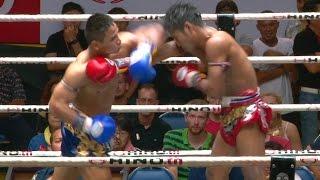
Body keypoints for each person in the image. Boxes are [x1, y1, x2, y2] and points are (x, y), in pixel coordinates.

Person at [49, 13, 165, 180]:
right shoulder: (80, 69)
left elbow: (156, 30)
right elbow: (55, 104)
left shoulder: (122, 44)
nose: (118, 40)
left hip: (98, 123)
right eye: (112, 38)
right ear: (96, 45)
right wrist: (88, 125)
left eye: (116, 34)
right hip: (81, 128)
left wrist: (144, 50)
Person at [163, 3, 272, 180]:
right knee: (214, 172)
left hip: (247, 111)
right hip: (229, 113)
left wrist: (191, 77)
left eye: (177, 37)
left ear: (188, 28)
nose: (178, 44)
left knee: (254, 174)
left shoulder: (216, 42)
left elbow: (215, 88)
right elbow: (165, 50)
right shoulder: (195, 43)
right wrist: (144, 58)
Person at [163, 99, 213, 180]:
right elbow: (171, 170)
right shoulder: (171, 136)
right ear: (185, 118)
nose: (196, 122)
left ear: (207, 120)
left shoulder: (215, 141)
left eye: (201, 117)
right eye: (192, 116)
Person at [293, 0, 320, 148]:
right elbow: (313, 68)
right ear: (311, 16)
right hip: (310, 95)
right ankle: (312, 172)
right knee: (311, 142)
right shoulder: (302, 38)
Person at [45, 2, 88, 78]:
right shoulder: (54, 38)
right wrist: (77, 62)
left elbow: (86, 62)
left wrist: (73, 40)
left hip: (81, 79)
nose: (73, 21)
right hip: (59, 79)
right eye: (70, 16)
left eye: (77, 17)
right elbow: (50, 65)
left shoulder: (87, 36)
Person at [129, 84, 171, 151]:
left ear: (156, 103)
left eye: (150, 101)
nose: (146, 104)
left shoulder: (165, 129)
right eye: (143, 100)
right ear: (137, 102)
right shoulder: (127, 126)